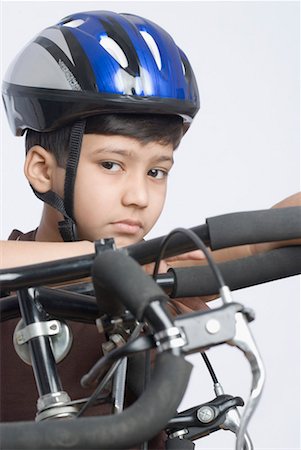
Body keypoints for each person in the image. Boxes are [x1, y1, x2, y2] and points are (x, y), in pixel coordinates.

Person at [0, 8, 300, 449]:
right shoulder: (27, 275)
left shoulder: (164, 271)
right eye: (111, 165)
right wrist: (116, 266)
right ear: (43, 170)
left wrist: (141, 270)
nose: (138, 195)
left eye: (157, 171)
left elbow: (261, 242)